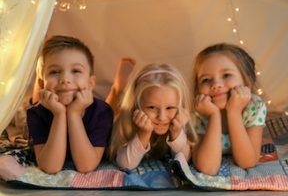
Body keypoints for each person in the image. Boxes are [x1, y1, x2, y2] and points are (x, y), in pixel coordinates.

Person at [26, 35, 114, 174]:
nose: (65, 79)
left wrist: (73, 114)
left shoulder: (102, 112)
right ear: (42, 84)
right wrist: (59, 114)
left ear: (90, 83)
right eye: (54, 72)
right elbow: (50, 167)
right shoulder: (36, 113)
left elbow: (87, 166)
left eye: (76, 71)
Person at [191, 43, 267, 175]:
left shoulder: (255, 106)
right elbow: (207, 168)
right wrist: (214, 115)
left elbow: (247, 162)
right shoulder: (199, 111)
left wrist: (234, 112)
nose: (216, 85)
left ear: (247, 81)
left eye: (226, 75)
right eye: (206, 80)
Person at [109, 64, 198, 170]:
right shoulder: (127, 123)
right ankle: (117, 90)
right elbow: (125, 164)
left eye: (169, 108)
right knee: (110, 111)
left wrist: (176, 133)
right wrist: (144, 133)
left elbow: (184, 160)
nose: (161, 117)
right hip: (115, 113)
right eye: (152, 107)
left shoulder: (178, 119)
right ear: (136, 106)